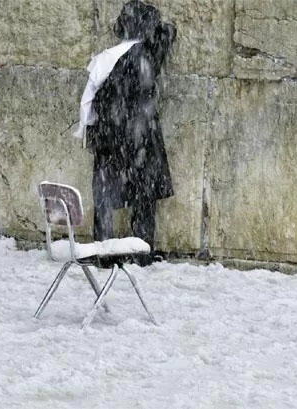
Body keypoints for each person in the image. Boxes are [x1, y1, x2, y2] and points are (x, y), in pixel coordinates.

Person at [74, 0, 176, 265]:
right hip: (142, 137)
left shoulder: (104, 59)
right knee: (144, 197)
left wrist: (89, 132)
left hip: (110, 137)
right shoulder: (150, 52)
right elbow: (169, 31)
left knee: (105, 197)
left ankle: (103, 252)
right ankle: (142, 252)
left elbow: (87, 102)